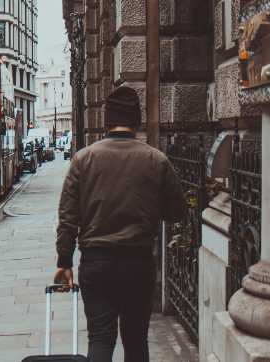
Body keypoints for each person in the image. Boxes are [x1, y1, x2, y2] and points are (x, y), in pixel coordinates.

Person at [54, 86, 187, 362]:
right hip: (138, 264)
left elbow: (68, 217)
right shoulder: (155, 159)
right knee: (136, 342)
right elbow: (177, 211)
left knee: (101, 338)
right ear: (136, 119)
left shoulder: (83, 159)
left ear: (107, 119)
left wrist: (64, 261)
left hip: (96, 264)